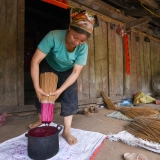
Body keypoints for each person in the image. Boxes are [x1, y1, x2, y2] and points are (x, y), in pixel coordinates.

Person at [29, 9, 98, 145]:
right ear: (69, 29)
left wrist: (60, 90)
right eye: (75, 37)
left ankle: (66, 131)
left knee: (70, 96)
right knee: (43, 94)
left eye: (82, 40)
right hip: (50, 66)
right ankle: (41, 119)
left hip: (68, 71)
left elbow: (76, 72)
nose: (77, 42)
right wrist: (37, 87)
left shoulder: (83, 48)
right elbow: (35, 61)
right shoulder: (53, 36)